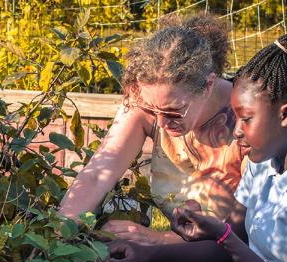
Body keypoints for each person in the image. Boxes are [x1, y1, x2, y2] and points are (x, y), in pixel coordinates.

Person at [102, 34, 287, 262]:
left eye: (246, 119)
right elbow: (227, 251)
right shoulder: (262, 164)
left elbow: (231, 245)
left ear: (286, 114)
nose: (236, 131)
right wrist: (148, 254)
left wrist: (224, 236)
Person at [58, 13, 247, 245]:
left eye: (174, 111)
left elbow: (252, 227)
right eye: (152, 109)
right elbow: (98, 175)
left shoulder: (246, 116)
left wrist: (159, 241)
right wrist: (57, 238)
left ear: (208, 85)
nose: (160, 123)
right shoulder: (149, 102)